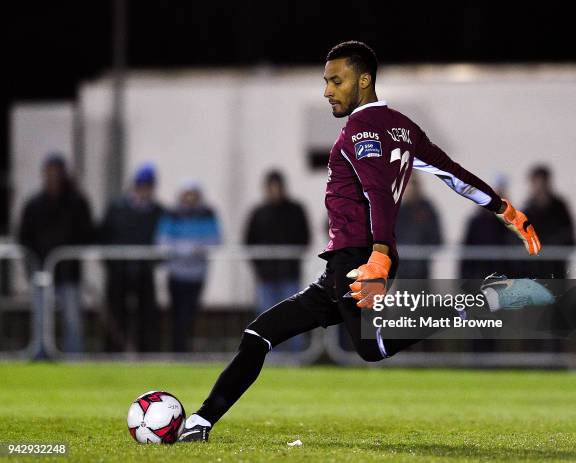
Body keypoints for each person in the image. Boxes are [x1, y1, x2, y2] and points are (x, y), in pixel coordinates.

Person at [179, 41, 541, 442]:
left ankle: (482, 297)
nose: (327, 90)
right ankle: (200, 422)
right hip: (343, 263)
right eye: (325, 81)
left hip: (360, 258)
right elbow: (452, 172)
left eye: (337, 80)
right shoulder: (403, 126)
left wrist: (380, 255)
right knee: (259, 334)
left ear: (363, 80)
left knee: (373, 347)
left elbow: (378, 193)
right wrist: (504, 208)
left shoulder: (360, 130)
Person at [18, 153, 94, 353]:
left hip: (68, 272)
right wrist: (30, 268)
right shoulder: (34, 205)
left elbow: (87, 233)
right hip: (42, 271)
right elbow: (24, 238)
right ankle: (41, 354)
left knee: (72, 319)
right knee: (41, 320)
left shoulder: (77, 203)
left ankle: (73, 357)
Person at [98, 164, 164, 352]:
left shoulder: (158, 212)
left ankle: (146, 352)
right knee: (116, 313)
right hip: (119, 270)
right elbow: (104, 235)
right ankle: (113, 352)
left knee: (146, 314)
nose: (145, 190)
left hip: (144, 271)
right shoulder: (117, 209)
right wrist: (110, 263)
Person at [156, 180, 221, 352]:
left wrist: (191, 248)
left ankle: (187, 347)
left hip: (196, 274)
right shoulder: (172, 214)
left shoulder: (207, 214)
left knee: (190, 313)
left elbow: (214, 240)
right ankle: (177, 349)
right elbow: (162, 242)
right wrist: (186, 249)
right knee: (177, 314)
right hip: (176, 273)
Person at [245, 170, 311, 315]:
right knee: (266, 317)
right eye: (271, 187)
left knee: (293, 316)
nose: (275, 191)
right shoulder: (259, 212)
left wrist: (294, 259)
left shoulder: (295, 210)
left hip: (290, 274)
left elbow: (305, 237)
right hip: (266, 276)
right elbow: (249, 241)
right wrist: (260, 265)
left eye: (277, 187)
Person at [522, 166, 576, 279]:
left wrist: (549, 246)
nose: (540, 187)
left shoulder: (560, 208)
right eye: (536, 182)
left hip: (556, 268)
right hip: (533, 270)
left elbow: (568, 233)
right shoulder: (527, 209)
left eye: (543, 182)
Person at [460, 174, 517, 279]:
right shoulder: (475, 223)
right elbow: (466, 254)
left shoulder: (511, 223)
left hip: (505, 279)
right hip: (479, 279)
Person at [395, 174, 442, 280]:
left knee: (422, 295)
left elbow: (437, 238)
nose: (411, 188)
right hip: (402, 271)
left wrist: (423, 251)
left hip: (422, 270)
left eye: (413, 183)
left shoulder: (427, 209)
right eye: (407, 184)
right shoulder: (397, 211)